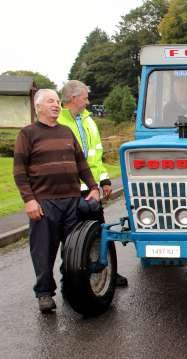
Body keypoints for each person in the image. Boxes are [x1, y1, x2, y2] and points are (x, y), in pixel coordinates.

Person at [13, 89, 100, 313]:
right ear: (38, 106)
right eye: (50, 101)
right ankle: (44, 294)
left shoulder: (66, 132)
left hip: (72, 200)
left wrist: (93, 187)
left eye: (56, 101)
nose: (55, 105)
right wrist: (29, 201)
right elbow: (19, 171)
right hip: (44, 203)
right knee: (43, 251)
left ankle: (71, 291)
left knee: (74, 251)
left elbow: (81, 163)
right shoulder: (28, 134)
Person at [58, 80, 128, 287]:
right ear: (73, 98)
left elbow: (96, 156)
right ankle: (70, 278)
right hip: (72, 191)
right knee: (71, 238)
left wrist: (104, 180)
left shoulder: (88, 121)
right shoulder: (59, 124)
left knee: (101, 231)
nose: (88, 102)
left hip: (93, 189)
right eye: (85, 97)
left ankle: (109, 272)